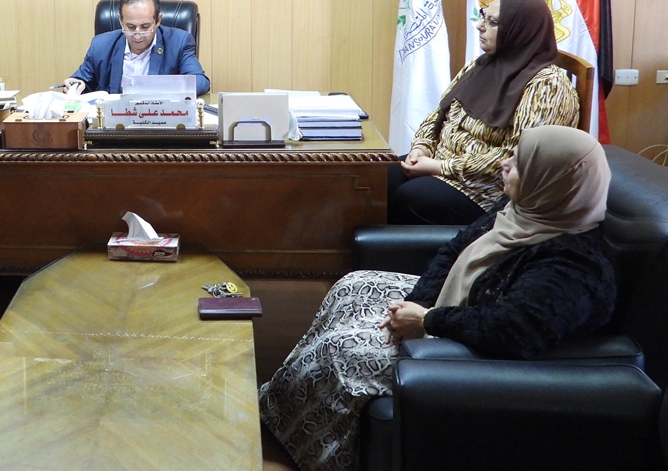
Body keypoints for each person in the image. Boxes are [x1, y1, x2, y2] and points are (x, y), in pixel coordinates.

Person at [260, 125, 616, 471]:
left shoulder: (573, 266)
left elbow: (511, 330)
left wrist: (427, 320)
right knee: (353, 287)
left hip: (475, 355)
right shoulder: (523, 209)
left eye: (520, 163)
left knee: (342, 350)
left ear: (551, 182)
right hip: (456, 310)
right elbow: (453, 251)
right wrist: (417, 302)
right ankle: (272, 410)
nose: (505, 164)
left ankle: (296, 448)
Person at [388, 0, 579, 225]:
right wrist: (422, 147)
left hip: (489, 192)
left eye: (493, 22)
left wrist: (441, 167)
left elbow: (517, 158)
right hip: (443, 165)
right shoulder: (482, 65)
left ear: (520, 31)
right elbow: (439, 114)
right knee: (379, 177)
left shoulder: (547, 85)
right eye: (483, 17)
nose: (480, 26)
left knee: (410, 197)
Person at [64, 0, 210, 95]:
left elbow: (201, 82)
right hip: (115, 123)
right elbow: (82, 80)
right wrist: (76, 85)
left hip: (160, 121)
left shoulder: (178, 41)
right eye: (131, 27)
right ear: (120, 20)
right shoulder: (101, 45)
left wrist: (159, 87)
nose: (138, 35)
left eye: (145, 27)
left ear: (158, 20)